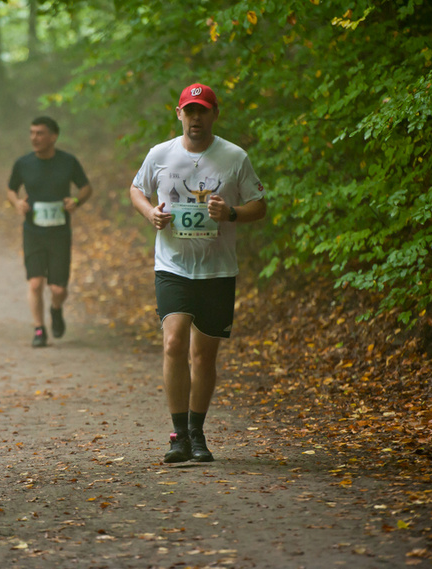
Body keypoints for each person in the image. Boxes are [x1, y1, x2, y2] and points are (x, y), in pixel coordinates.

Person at [129, 83, 267, 463]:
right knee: (174, 343)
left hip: (217, 269)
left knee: (204, 357)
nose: (196, 118)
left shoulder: (234, 157)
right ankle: (177, 436)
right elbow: (136, 189)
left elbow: (259, 205)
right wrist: (150, 214)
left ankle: (196, 432)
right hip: (172, 265)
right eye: (189, 111)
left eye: (203, 111)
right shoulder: (160, 154)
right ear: (179, 115)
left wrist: (233, 213)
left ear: (214, 115)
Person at [7, 116, 93, 347]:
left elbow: (86, 188)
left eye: (40, 133)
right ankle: (39, 329)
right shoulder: (23, 163)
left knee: (58, 288)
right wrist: (17, 203)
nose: (34, 137)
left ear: (53, 137)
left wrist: (76, 200)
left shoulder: (68, 162)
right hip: (33, 232)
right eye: (32, 132)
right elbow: (11, 190)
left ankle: (56, 309)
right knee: (35, 283)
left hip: (59, 233)